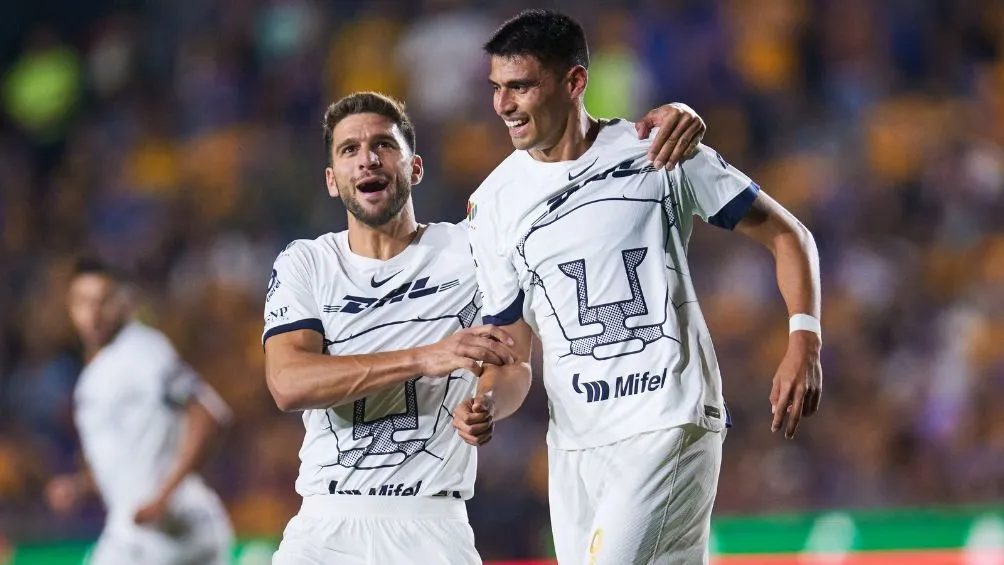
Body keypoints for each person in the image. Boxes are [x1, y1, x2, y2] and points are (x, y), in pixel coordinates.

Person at [262, 91, 708, 565]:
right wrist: (425, 357)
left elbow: (514, 364)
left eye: (383, 145)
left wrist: (489, 403)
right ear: (333, 181)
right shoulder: (305, 263)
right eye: (349, 150)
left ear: (414, 167)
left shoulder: (473, 248)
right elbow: (288, 384)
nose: (368, 159)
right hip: (324, 526)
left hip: (432, 528)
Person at [462, 9, 824, 565]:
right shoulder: (492, 204)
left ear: (574, 82)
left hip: (666, 418)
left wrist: (805, 339)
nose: (503, 105)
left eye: (520, 87)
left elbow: (787, 235)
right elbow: (511, 357)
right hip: (576, 446)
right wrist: (486, 399)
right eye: (496, 89)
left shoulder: (658, 148)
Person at [44, 258, 234, 565]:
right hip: (148, 528)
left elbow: (208, 415)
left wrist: (164, 496)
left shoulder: (143, 350)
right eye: (82, 302)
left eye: (102, 301)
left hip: (169, 529)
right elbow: (124, 461)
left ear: (123, 302)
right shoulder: (97, 372)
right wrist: (79, 486)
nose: (92, 313)